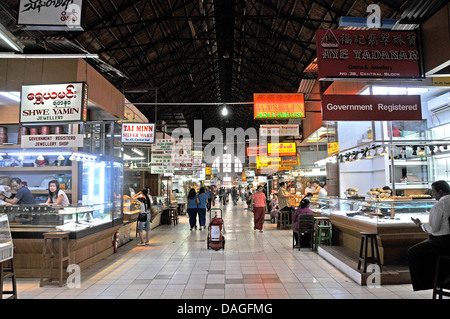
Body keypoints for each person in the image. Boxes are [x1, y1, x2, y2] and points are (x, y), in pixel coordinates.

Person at [408, 180, 450, 291]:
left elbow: (433, 228)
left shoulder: (439, 205)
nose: (432, 194)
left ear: (440, 192)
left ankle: (429, 283)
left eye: (433, 191)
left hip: (442, 242)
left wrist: (420, 224)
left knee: (412, 253)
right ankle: (444, 279)